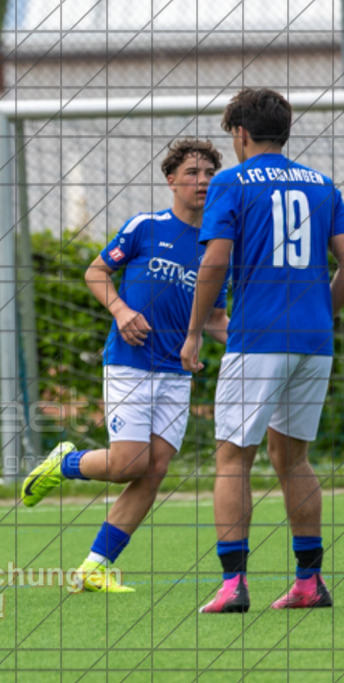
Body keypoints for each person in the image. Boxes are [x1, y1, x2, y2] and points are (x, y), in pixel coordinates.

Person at [20, 139, 229, 592]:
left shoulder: (218, 248)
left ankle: (94, 566)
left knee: (153, 470)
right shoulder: (144, 227)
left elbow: (213, 318)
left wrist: (251, 348)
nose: (203, 181)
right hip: (130, 364)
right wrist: (120, 310)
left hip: (176, 374)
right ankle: (65, 464)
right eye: (193, 172)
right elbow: (96, 272)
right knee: (130, 462)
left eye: (210, 173)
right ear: (170, 179)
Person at [181, 88, 344, 613]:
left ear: (241, 134)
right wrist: (326, 309)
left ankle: (233, 585)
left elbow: (215, 261)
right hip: (314, 341)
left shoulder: (231, 181)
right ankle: (308, 581)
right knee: (292, 458)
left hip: (258, 339)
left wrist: (194, 328)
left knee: (233, 457)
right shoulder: (323, 186)